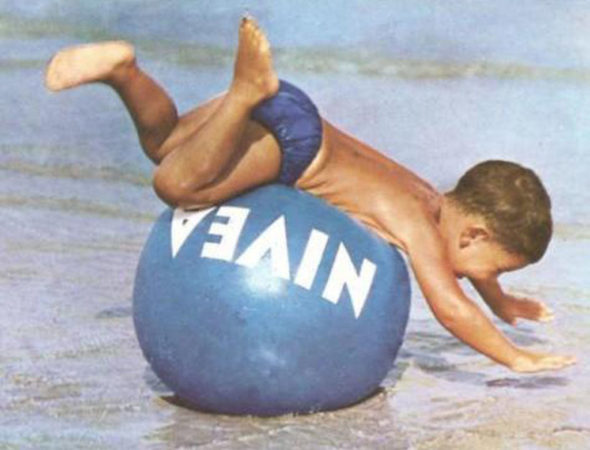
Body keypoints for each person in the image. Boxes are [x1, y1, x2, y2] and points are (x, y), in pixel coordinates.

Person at [45, 16, 576, 373]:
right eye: (499, 268)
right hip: (294, 146)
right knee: (177, 186)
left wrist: (501, 300)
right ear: (475, 231)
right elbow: (449, 307)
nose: (488, 276)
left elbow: (468, 269)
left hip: (294, 113)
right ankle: (246, 90)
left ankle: (123, 69)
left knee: (163, 146)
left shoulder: (430, 198)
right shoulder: (419, 226)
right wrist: (514, 359)